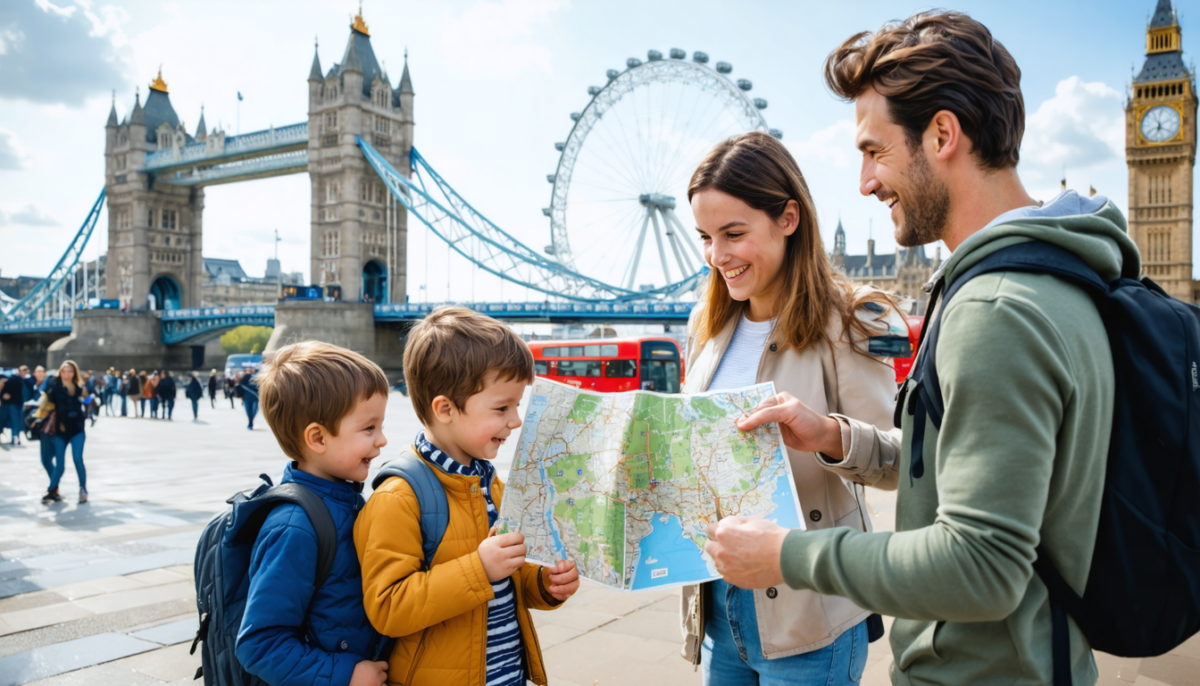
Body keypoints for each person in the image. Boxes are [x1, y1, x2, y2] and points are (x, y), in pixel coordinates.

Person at [708, 11, 1125, 686]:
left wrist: (786, 555)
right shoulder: (1062, 274)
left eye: (874, 151)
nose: (865, 182)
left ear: (942, 135)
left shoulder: (996, 310)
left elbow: (982, 567)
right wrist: (832, 436)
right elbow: (966, 467)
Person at [675, 132, 900, 684]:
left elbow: (902, 461)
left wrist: (827, 434)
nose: (716, 256)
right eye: (705, 237)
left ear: (788, 219)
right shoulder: (705, 325)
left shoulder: (854, 319)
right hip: (716, 604)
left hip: (810, 611)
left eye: (733, 234)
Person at [355, 306, 579, 685]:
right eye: (502, 407)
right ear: (445, 409)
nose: (515, 420)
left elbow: (509, 577)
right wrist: (479, 569)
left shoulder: (491, 484)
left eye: (517, 405)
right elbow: (388, 607)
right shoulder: (399, 497)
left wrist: (544, 583)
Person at [235, 341, 392, 686]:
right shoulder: (295, 528)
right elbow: (259, 646)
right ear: (318, 438)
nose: (381, 440)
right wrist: (346, 674)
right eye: (369, 428)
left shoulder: (347, 501)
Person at [46, 360, 91, 504]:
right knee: (60, 463)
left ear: (74, 373)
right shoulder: (55, 386)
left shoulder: (79, 387)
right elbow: (47, 401)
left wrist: (86, 399)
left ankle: (83, 489)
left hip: (77, 428)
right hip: (60, 430)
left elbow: (90, 401)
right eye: (64, 371)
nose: (66, 374)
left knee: (78, 458)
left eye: (70, 371)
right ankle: (52, 490)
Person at [2, 367, 24, 445]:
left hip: (11, 404)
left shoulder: (11, 379)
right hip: (13, 404)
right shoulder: (16, 380)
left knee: (13, 422)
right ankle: (15, 437)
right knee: (15, 422)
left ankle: (15, 437)